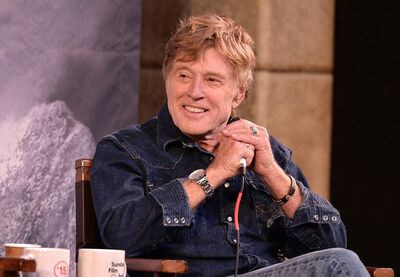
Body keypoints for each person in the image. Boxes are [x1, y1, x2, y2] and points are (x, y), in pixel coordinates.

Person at [90, 13, 369, 277]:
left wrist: (273, 175)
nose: (194, 92)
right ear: (167, 80)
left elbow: (330, 243)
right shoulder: (125, 149)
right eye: (184, 76)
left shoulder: (263, 150)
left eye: (212, 80)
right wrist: (215, 173)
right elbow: (120, 235)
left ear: (239, 95)